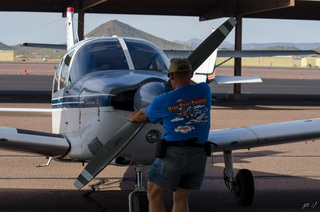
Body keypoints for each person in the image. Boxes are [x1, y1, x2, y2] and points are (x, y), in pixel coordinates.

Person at [128, 58, 211, 212]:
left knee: (154, 197)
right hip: (199, 154)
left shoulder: (164, 100)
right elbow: (190, 87)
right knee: (181, 198)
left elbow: (142, 115)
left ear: (171, 76)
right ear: (191, 74)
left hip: (174, 154)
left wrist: (131, 117)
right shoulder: (205, 90)